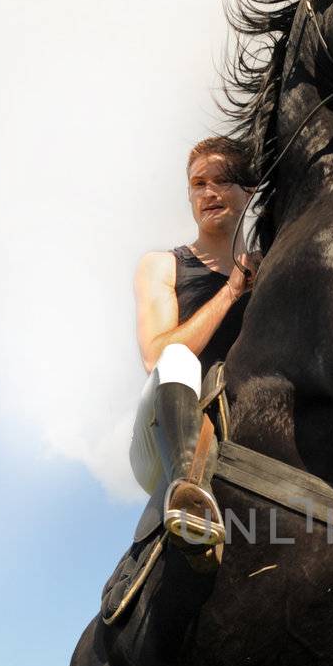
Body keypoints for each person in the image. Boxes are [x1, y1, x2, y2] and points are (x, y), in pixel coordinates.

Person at [130, 137, 255, 547]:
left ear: (249, 190)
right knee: (177, 357)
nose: (209, 192)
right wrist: (232, 291)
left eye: (222, 181)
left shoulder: (269, 269)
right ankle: (188, 493)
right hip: (161, 441)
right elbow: (155, 358)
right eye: (198, 184)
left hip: (241, 429)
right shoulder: (162, 265)